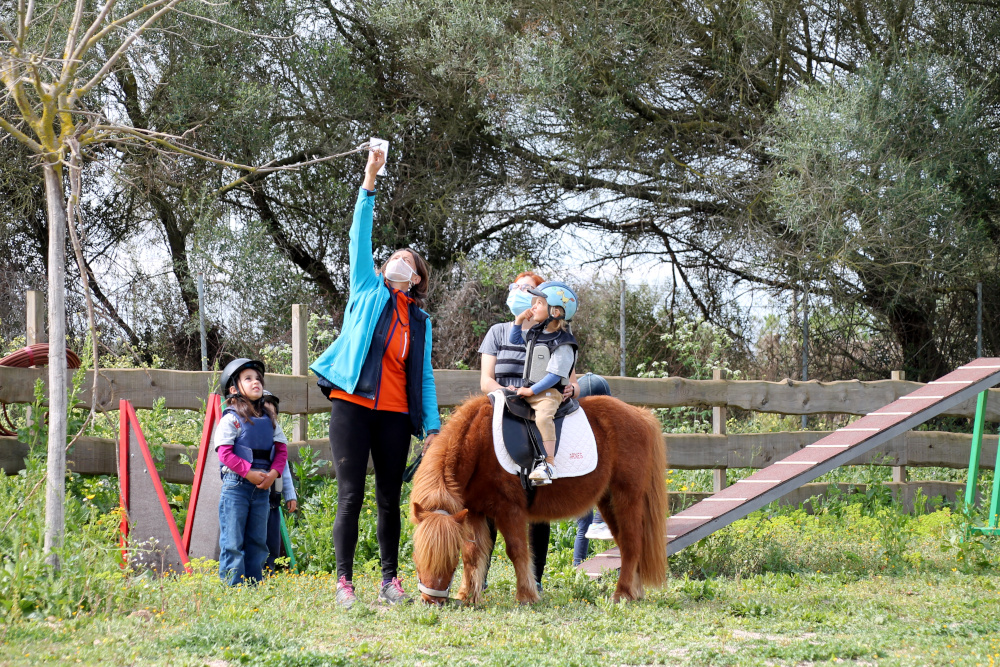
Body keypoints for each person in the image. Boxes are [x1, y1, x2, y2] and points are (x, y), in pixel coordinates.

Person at [310, 147, 440, 609]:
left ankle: (390, 582)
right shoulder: (367, 286)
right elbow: (358, 237)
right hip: (352, 405)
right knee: (350, 496)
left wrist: (432, 430)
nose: (400, 261)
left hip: (393, 416)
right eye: (396, 256)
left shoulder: (420, 323)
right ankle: (344, 583)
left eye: (409, 260)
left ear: (417, 279)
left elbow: (422, 378)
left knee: (388, 498)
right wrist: (370, 178)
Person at [478, 271, 581, 591]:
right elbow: (486, 380)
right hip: (502, 406)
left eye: (529, 290)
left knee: (537, 497)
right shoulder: (498, 332)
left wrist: (570, 391)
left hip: (539, 406)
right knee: (487, 496)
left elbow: (572, 379)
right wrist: (508, 397)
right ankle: (477, 578)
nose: (520, 293)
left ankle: (534, 580)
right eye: (517, 288)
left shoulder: (556, 335)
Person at [214, 358, 288, 585]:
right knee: (233, 542)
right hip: (236, 486)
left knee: (258, 541)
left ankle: (253, 585)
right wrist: (248, 472)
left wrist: (273, 475)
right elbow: (224, 454)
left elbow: (282, 450)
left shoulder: (270, 419)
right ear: (234, 389)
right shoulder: (231, 419)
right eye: (248, 379)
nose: (256, 382)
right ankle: (233, 588)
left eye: (258, 378)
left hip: (263, 489)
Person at [509, 281, 579, 484]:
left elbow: (555, 376)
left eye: (539, 303)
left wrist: (531, 391)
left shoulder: (563, 342)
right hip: (530, 390)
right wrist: (519, 320)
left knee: (542, 418)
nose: (533, 307)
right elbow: (515, 340)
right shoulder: (535, 333)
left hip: (548, 394)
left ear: (555, 311)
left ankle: (549, 464)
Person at [260, 391, 298, 573]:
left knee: (272, 539)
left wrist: (290, 495)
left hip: (273, 500)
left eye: (273, 415)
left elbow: (285, 471)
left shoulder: (277, 442)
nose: (270, 419)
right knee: (256, 539)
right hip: (256, 499)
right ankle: (255, 572)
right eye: (266, 414)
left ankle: (270, 570)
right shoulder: (253, 440)